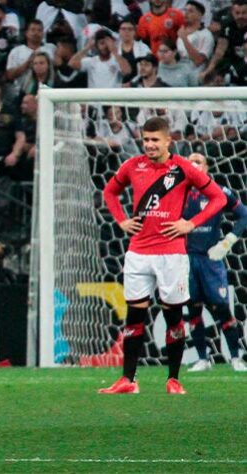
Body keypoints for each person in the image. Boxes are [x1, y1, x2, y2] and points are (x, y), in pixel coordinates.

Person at [99, 117, 226, 395]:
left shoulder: (183, 168)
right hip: (138, 252)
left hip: (171, 254)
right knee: (134, 317)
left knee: (173, 317)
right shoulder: (133, 165)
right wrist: (121, 220)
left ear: (169, 141)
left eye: (155, 140)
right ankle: (128, 380)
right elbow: (110, 192)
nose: (149, 145)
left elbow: (219, 198)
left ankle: (173, 379)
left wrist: (190, 224)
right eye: (146, 140)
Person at [182, 153, 247, 372]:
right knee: (193, 310)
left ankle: (236, 357)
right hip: (187, 259)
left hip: (211, 260)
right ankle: (202, 359)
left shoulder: (219, 191)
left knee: (221, 308)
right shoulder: (178, 194)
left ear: (207, 167)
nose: (194, 164)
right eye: (190, 161)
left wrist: (227, 243)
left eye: (198, 161)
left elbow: (244, 215)